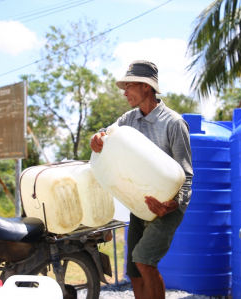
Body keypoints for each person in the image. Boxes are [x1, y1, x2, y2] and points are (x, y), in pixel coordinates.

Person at [90, 60, 193, 299]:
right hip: (140, 203)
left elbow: (186, 175)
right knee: (135, 270)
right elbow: (105, 136)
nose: (125, 92)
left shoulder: (174, 123)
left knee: (145, 261)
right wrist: (96, 138)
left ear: (146, 87)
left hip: (168, 205)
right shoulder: (129, 119)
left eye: (129, 86)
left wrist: (173, 204)